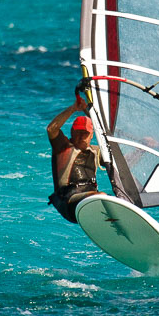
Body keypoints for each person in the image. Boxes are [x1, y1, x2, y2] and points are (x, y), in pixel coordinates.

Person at [47, 95, 103, 223]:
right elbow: (51, 129)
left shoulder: (96, 152)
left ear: (92, 135)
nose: (81, 137)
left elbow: (121, 167)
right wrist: (73, 108)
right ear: (72, 132)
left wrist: (141, 150)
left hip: (89, 200)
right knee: (101, 197)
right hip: (68, 202)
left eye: (85, 133)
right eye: (78, 132)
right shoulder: (63, 148)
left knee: (119, 200)